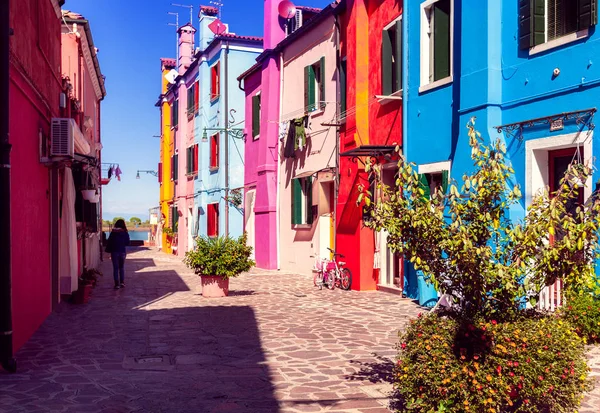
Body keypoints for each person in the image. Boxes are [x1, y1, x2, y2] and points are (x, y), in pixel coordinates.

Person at [105, 219, 130, 289]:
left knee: (115, 268)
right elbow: (127, 242)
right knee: (121, 267)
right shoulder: (125, 232)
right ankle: (122, 282)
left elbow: (109, 242)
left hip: (114, 252)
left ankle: (117, 284)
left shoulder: (113, 233)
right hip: (122, 251)